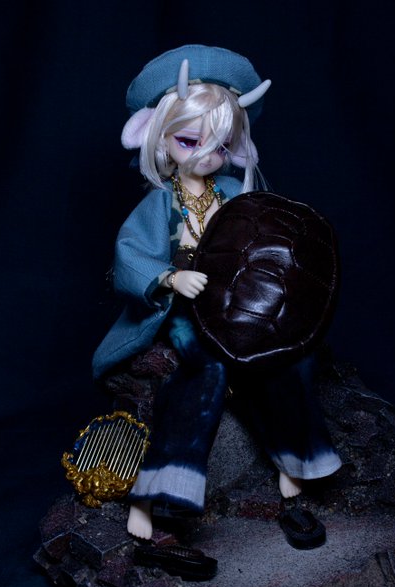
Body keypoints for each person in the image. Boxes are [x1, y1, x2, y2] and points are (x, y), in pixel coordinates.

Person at [92, 45, 342, 542]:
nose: (207, 155)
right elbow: (129, 255)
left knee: (285, 360)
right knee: (206, 368)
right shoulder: (160, 203)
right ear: (156, 136)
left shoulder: (233, 194)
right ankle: (155, 490)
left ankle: (295, 460)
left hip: (239, 305)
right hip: (185, 309)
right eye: (190, 141)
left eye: (222, 146)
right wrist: (169, 278)